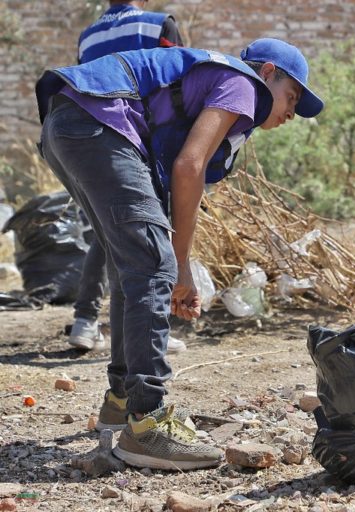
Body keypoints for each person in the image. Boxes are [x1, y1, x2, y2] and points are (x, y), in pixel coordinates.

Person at [35, 38, 323, 469]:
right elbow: (188, 167)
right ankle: (147, 424)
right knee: (150, 263)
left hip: (69, 124)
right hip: (98, 124)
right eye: (291, 96)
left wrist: (180, 269)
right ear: (267, 74)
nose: (289, 113)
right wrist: (174, 264)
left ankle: (120, 402)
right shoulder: (244, 86)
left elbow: (174, 192)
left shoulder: (213, 98)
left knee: (132, 262)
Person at [69, 0, 187, 353]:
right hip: (141, 139)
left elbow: (81, 86)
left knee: (107, 229)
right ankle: (153, 330)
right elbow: (178, 85)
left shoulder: (88, 36)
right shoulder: (158, 25)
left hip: (94, 142)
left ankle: (84, 321)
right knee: (148, 233)